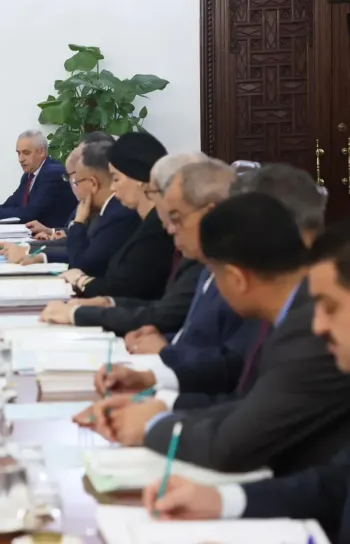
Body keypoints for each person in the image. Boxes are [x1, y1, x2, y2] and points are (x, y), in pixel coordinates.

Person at [83, 192, 350, 476]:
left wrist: (151, 425)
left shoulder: (307, 331)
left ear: (236, 279)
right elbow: (250, 401)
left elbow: (231, 445)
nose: (320, 323)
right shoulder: (286, 312)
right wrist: (161, 402)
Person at [141, 219, 350, 544]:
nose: (318, 326)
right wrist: (222, 501)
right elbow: (334, 485)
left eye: (330, 307)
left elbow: (233, 441)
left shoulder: (302, 341)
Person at [82, 163, 331, 410]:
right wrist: (156, 382)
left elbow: (255, 415)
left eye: (177, 217)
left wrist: (159, 410)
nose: (169, 228)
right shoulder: (282, 295)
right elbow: (238, 369)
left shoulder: (313, 316)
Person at [37, 152, 207, 334]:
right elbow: (163, 306)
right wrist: (107, 303)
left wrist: (81, 307)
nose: (170, 227)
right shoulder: (180, 243)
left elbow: (165, 313)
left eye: (116, 179)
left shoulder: (135, 221)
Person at [61, 131, 175, 300]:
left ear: (137, 177)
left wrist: (81, 280)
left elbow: (122, 288)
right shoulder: (146, 222)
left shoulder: (155, 228)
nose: (113, 188)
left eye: (115, 179)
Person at [0, 142, 139, 276]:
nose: (74, 187)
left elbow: (83, 262)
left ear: (93, 183)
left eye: (77, 181)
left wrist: (78, 222)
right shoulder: (106, 210)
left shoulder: (117, 214)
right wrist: (33, 252)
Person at [0, 130, 74, 227]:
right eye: (18, 153)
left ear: (41, 152)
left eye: (26, 153)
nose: (21, 159)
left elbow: (29, 213)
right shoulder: (29, 175)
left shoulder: (52, 173)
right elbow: (11, 204)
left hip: (54, 237)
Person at [27, 131, 117, 239]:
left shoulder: (112, 213)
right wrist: (52, 232)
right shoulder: (93, 204)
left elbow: (84, 246)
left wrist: (32, 250)